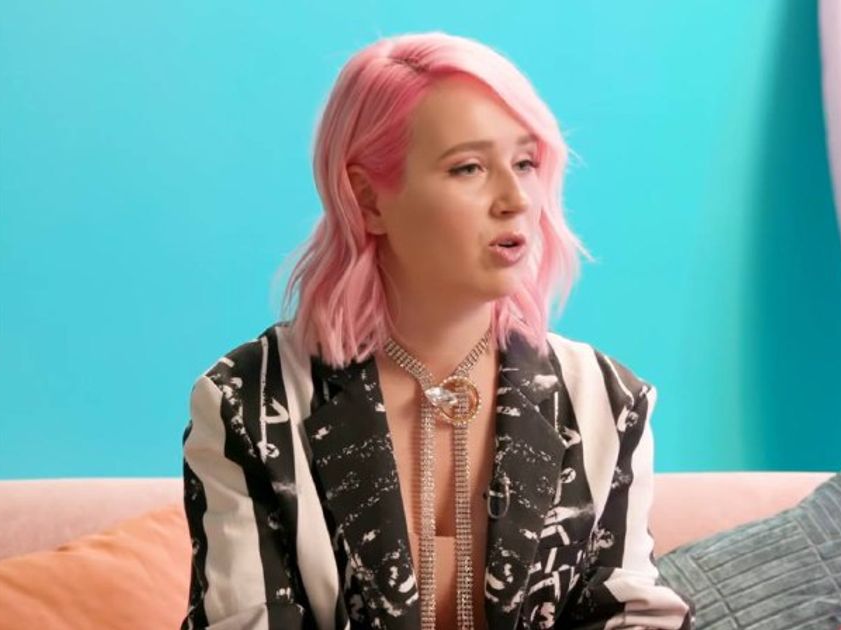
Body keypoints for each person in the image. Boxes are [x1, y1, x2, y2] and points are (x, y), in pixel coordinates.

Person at [180, 31, 695, 630]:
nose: (515, 199)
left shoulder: (607, 400)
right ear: (367, 200)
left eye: (525, 163)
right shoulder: (249, 402)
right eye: (468, 168)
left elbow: (628, 614)